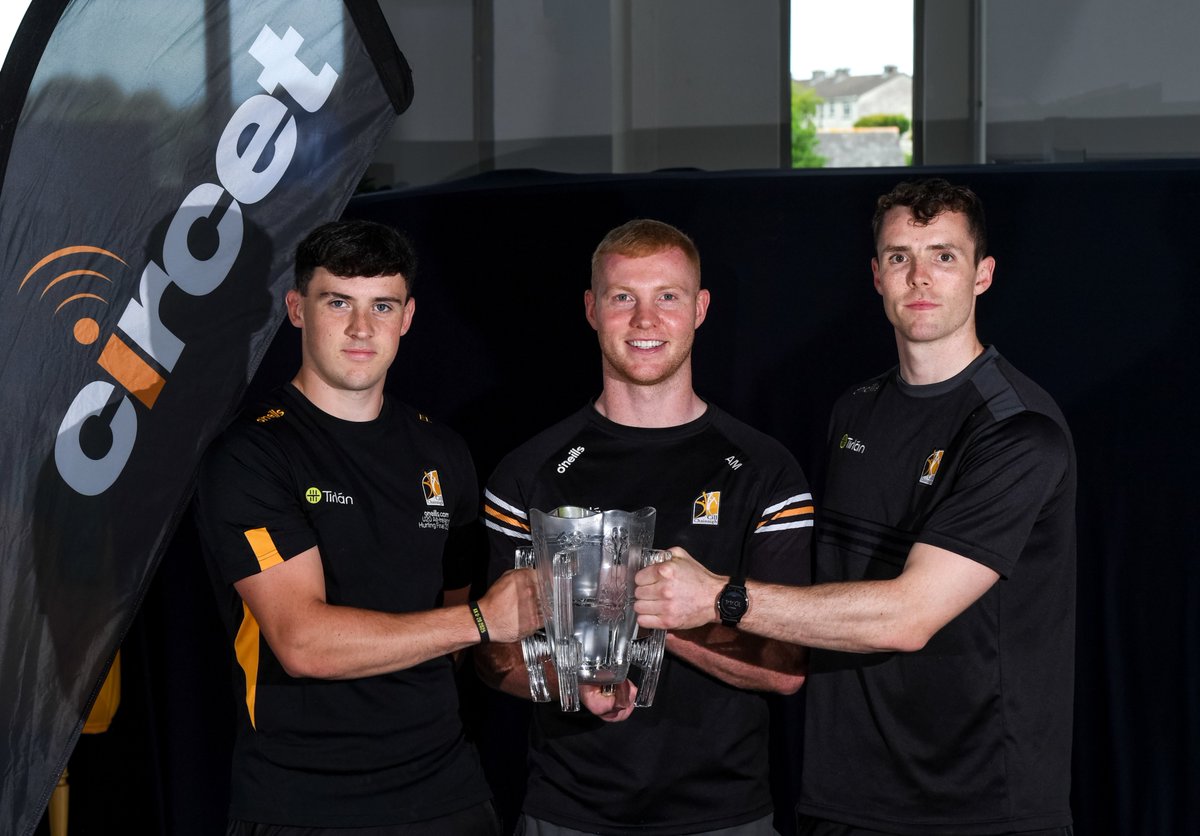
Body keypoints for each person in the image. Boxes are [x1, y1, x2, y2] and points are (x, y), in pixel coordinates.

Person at [635, 179, 1077, 836]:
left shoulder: (1017, 431)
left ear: (982, 274)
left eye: (944, 256)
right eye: (900, 256)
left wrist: (719, 598)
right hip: (844, 798)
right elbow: (826, 595)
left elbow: (908, 616)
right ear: (876, 275)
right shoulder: (855, 410)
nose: (920, 276)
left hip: (978, 806)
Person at [194, 219, 540, 834]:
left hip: (449, 796)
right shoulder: (252, 456)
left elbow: (457, 629)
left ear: (407, 317)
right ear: (296, 309)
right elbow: (302, 643)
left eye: (382, 305)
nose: (361, 328)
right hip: (305, 804)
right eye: (338, 302)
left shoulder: (443, 452)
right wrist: (483, 620)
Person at [477, 218, 813, 835]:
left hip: (726, 815)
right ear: (591, 309)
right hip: (567, 813)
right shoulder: (528, 472)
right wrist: (574, 681)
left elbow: (786, 668)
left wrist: (661, 617)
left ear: (700, 309)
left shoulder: (766, 470)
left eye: (668, 297)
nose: (645, 320)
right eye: (623, 297)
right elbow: (492, 654)